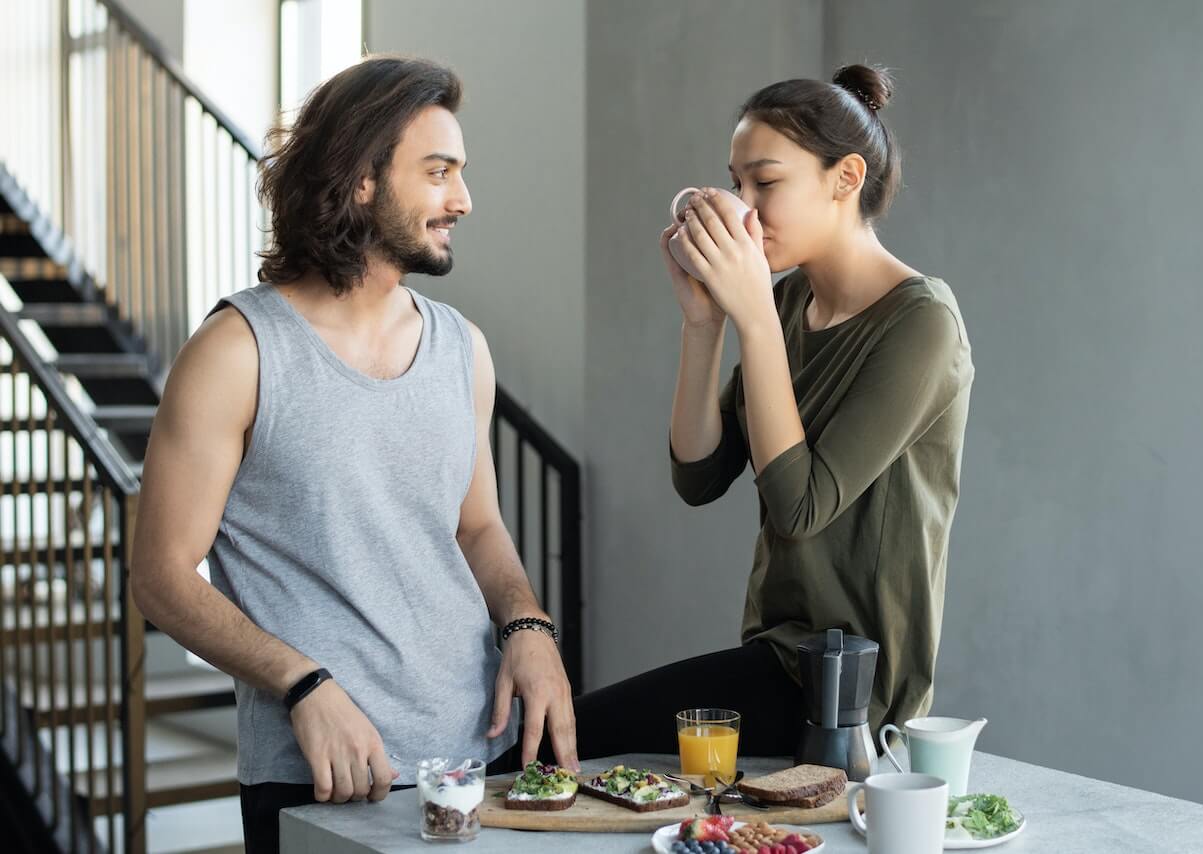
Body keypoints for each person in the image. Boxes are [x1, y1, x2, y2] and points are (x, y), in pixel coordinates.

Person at [128, 57, 577, 854]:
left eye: (460, 174)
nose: (462, 201)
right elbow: (161, 576)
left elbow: (477, 529)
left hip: (484, 761)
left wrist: (528, 626)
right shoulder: (238, 351)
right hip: (322, 772)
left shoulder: (461, 349)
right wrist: (303, 683)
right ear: (361, 180)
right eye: (437, 173)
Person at [568, 63, 974, 760]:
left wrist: (753, 316)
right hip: (778, 657)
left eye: (766, 182)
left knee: (569, 735)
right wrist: (705, 325)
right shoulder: (788, 305)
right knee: (573, 747)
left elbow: (800, 506)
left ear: (845, 179)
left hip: (850, 689)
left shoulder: (921, 325)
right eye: (736, 182)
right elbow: (697, 477)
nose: (743, 206)